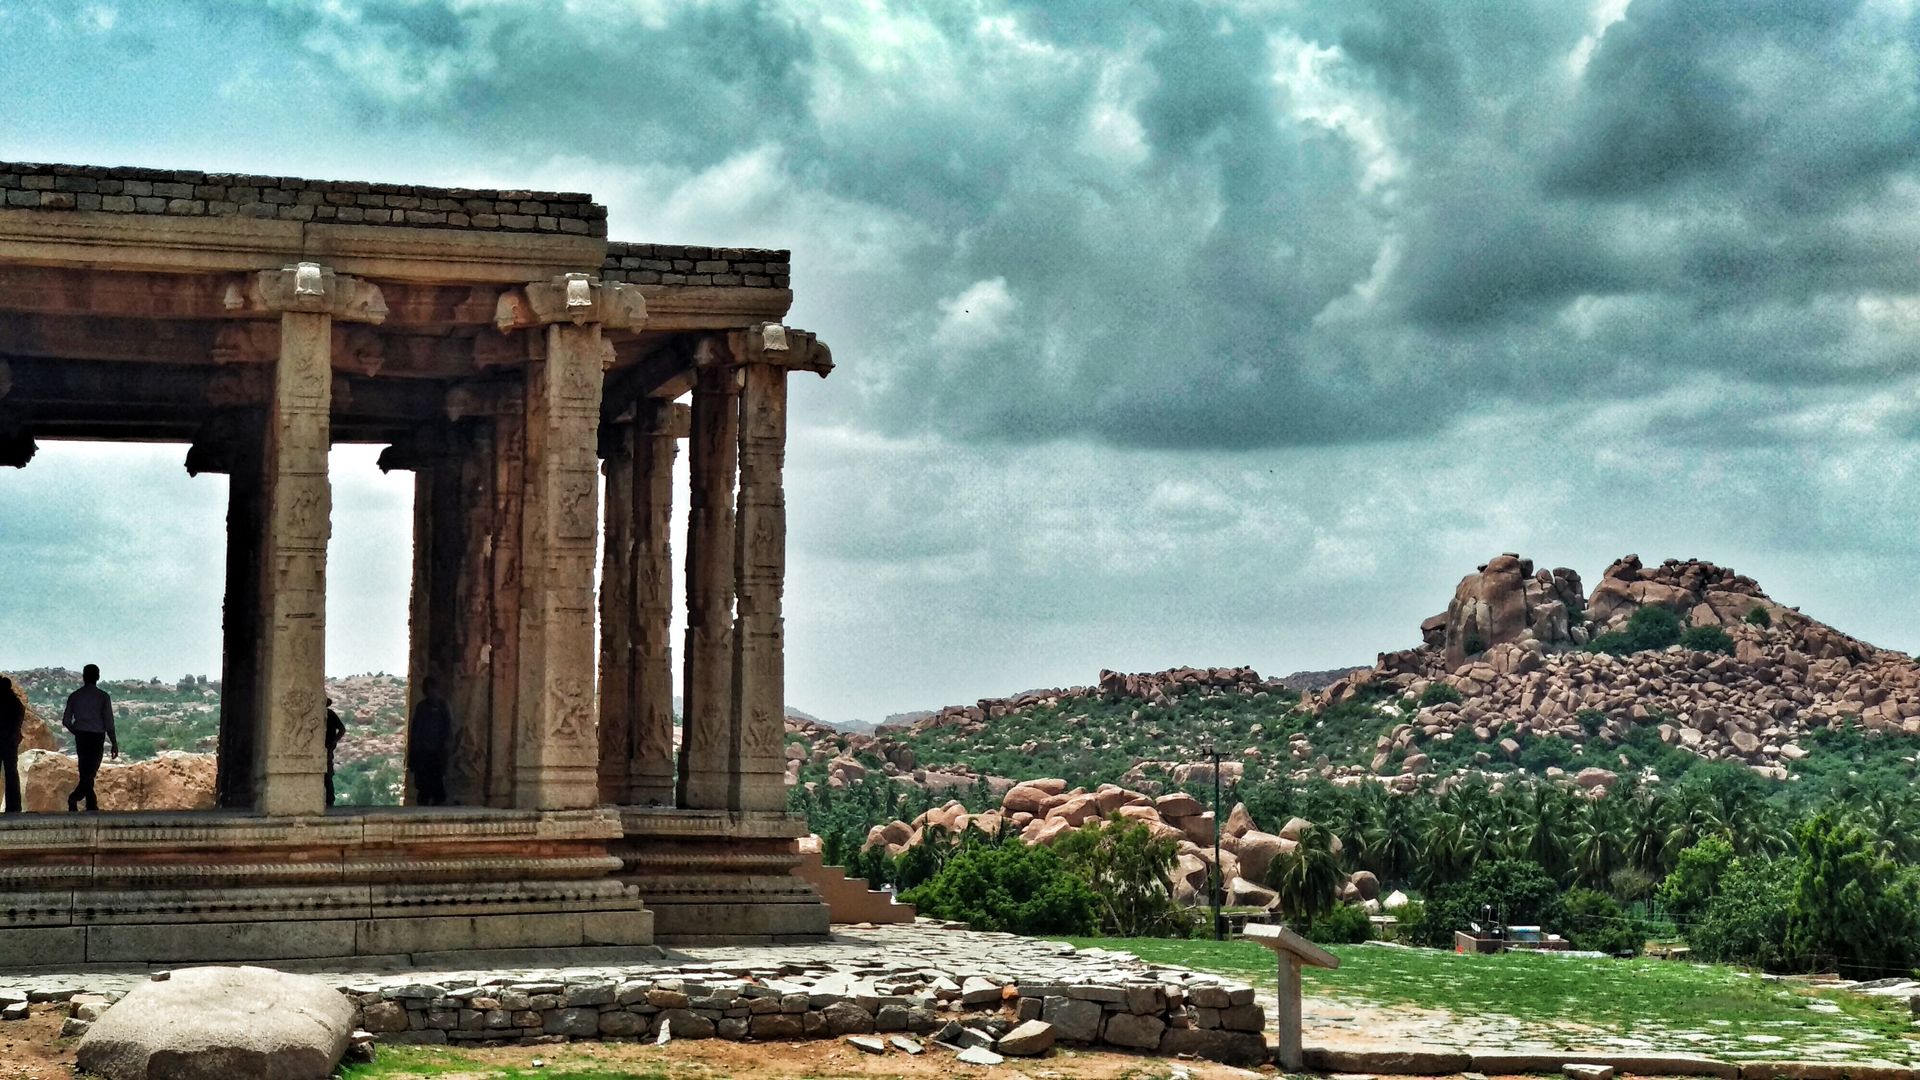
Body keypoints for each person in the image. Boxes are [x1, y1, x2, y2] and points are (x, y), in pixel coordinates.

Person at [61, 664, 117, 813]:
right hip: (97, 737)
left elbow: (66, 720)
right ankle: (80, 800)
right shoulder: (103, 697)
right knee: (91, 771)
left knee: (85, 770)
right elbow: (109, 722)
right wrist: (114, 743)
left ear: (84, 677)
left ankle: (86, 802)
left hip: (82, 736)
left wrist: (76, 732)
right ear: (98, 677)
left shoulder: (75, 696)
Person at [407, 680, 453, 807]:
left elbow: (448, 728)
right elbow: (416, 731)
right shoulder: (422, 707)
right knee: (423, 787)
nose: (430, 692)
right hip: (423, 752)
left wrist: (445, 747)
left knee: (436, 783)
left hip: (436, 752)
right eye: (428, 690)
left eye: (432, 689)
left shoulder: (442, 706)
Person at [0, 676, 24, 814]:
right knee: (12, 774)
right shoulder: (15, 702)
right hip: (10, 741)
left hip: (5, 740)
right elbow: (19, 718)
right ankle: (14, 806)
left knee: (11, 773)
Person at [324, 697, 347, 808]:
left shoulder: (329, 714)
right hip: (326, 747)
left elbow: (342, 729)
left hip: (327, 747)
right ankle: (329, 801)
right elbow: (342, 729)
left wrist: (333, 741)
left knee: (327, 775)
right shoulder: (326, 714)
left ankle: (329, 801)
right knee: (327, 774)